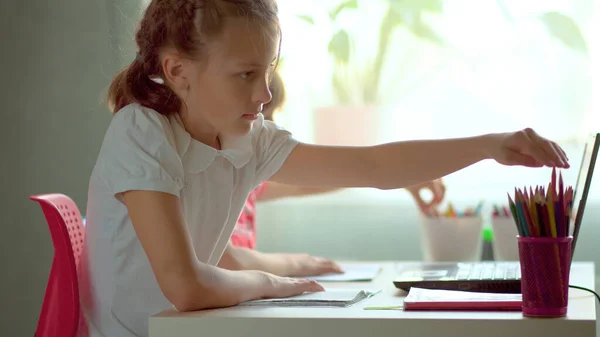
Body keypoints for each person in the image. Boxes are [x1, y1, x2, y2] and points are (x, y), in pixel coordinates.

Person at [80, 1, 569, 336]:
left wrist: (489, 144)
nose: (265, 93)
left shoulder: (247, 140)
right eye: (246, 74)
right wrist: (274, 286)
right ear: (178, 70)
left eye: (269, 69)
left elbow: (373, 164)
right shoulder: (141, 132)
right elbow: (186, 286)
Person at [225, 71, 446, 277]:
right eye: (262, 115)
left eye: (271, 114)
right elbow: (227, 262)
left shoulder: (246, 175)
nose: (269, 125)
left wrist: (401, 178)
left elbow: (303, 183)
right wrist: (297, 264)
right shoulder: (211, 176)